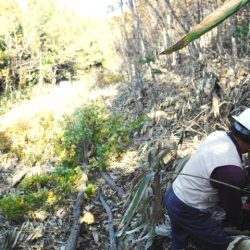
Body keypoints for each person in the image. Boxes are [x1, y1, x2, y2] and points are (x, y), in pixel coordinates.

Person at [164, 108, 250, 250]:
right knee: (220, 243)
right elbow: (231, 206)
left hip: (173, 193)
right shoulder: (232, 171)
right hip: (187, 208)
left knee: (180, 240)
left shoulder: (217, 135)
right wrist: (238, 221)